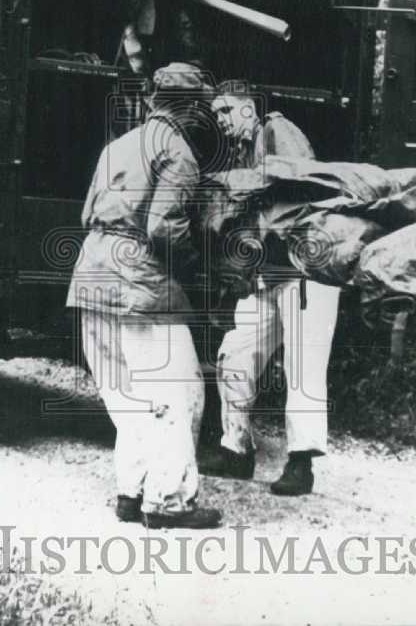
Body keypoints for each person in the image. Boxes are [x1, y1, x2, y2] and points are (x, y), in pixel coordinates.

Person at [66, 62, 222, 529]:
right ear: (192, 110)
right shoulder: (177, 151)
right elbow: (164, 228)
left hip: (92, 278)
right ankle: (169, 502)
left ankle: (130, 494)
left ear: (154, 101)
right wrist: (199, 271)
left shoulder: (116, 146)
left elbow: (85, 214)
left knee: (126, 396)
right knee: (178, 393)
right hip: (143, 287)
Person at [199, 79, 341, 495]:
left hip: (305, 269)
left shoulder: (279, 131)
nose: (221, 121)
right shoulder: (244, 148)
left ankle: (301, 464)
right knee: (236, 354)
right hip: (268, 274)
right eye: (217, 114)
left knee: (303, 367)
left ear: (250, 107)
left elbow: (304, 191)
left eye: (227, 111)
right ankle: (236, 451)